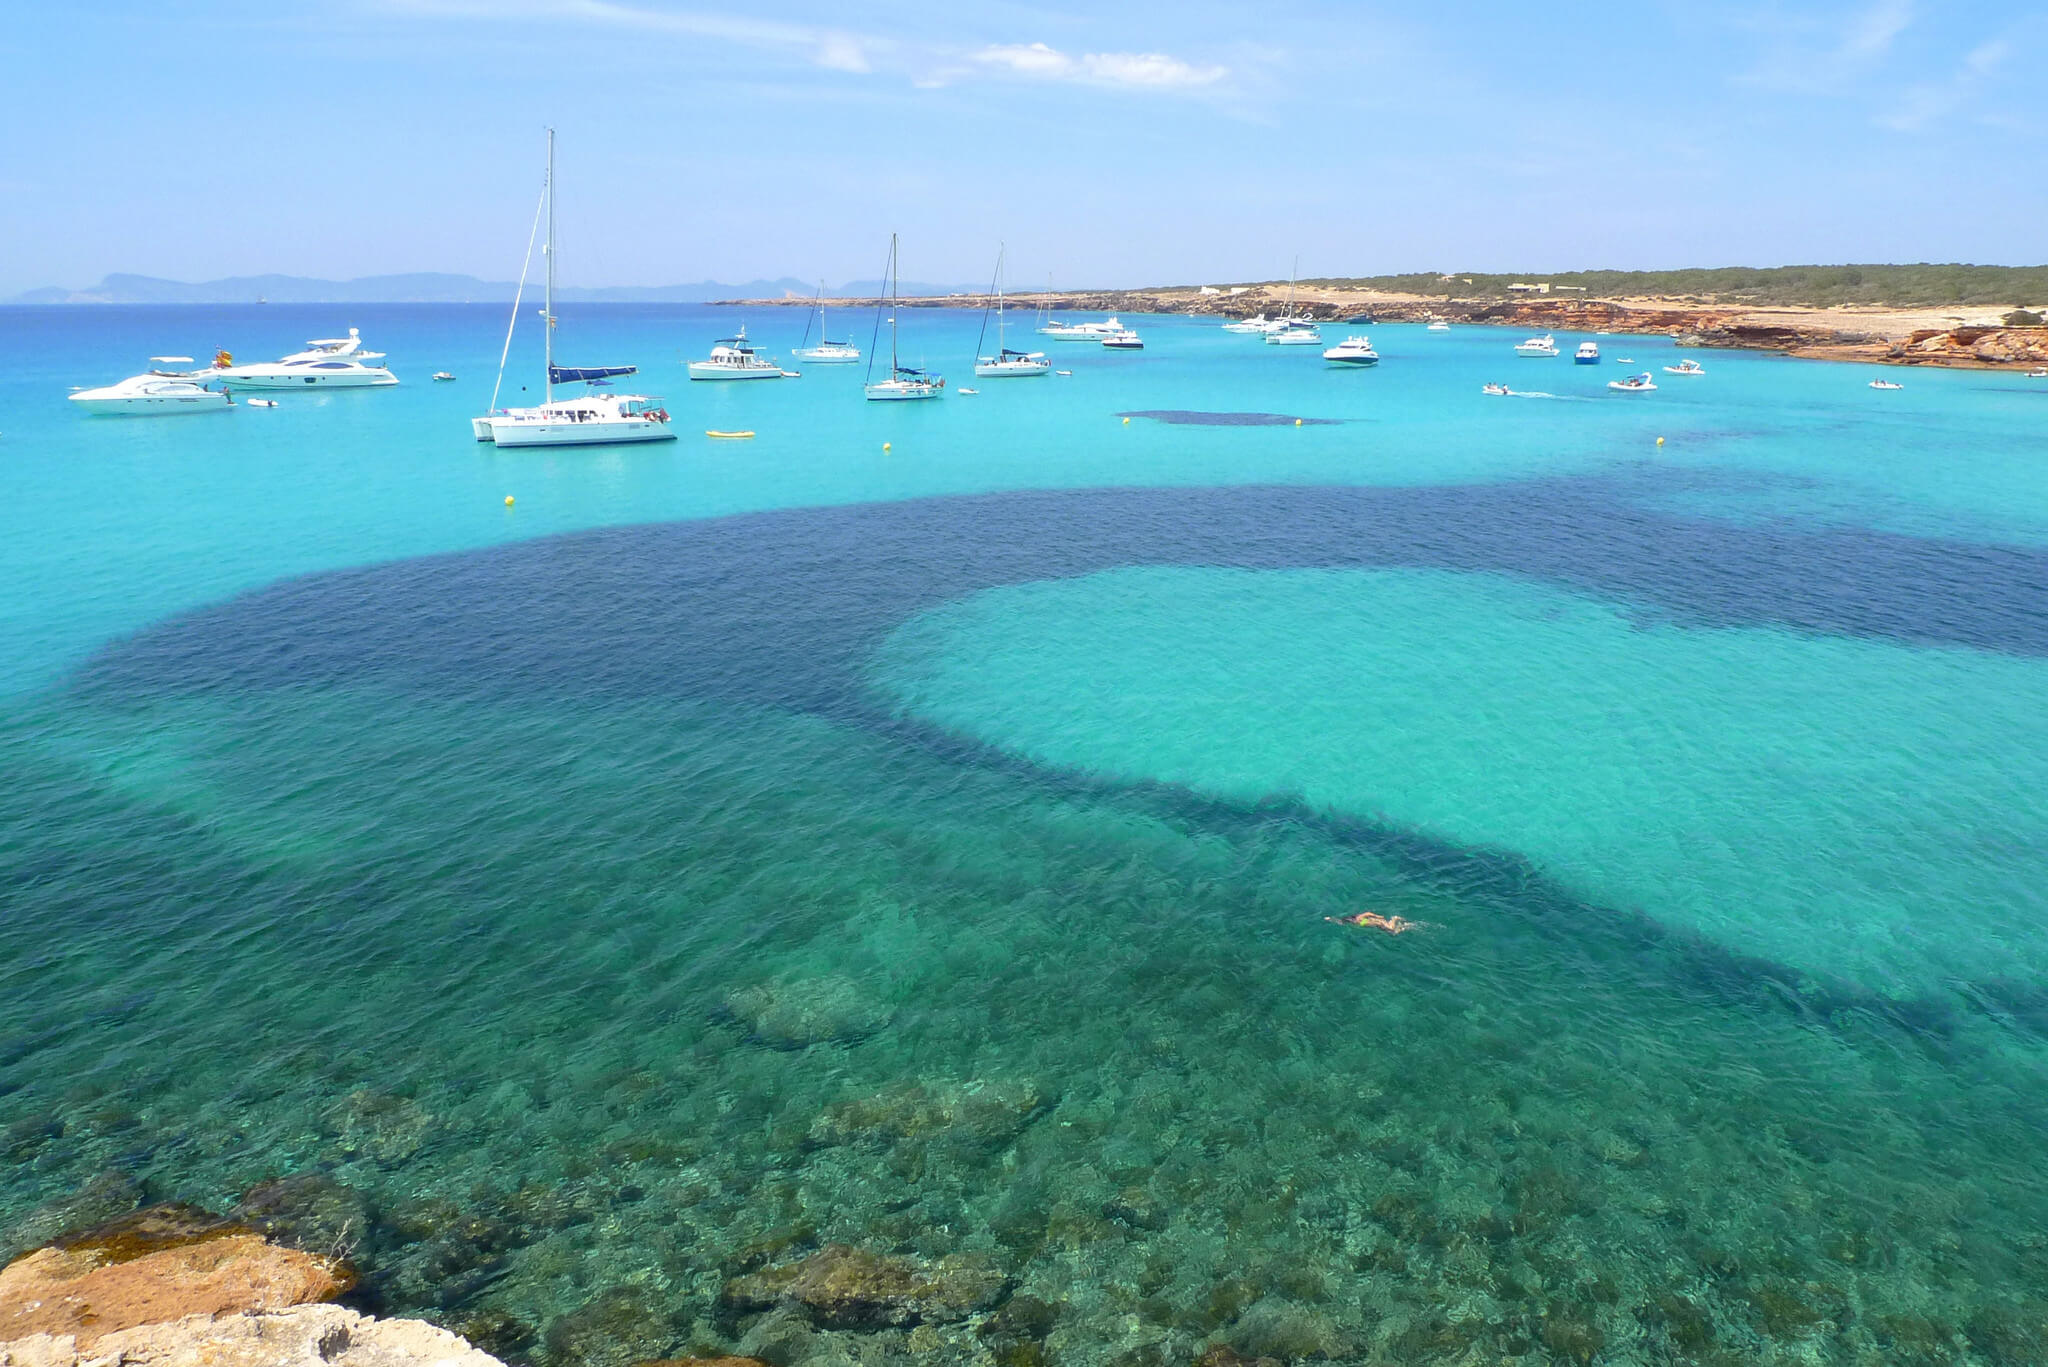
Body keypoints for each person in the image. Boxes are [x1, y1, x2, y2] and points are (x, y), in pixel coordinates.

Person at [1325, 911, 1426, 934]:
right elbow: (1340, 921)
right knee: (1392, 932)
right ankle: (1401, 925)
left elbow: (1367, 913)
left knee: (1393, 932)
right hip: (1378, 923)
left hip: (1379, 923)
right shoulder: (1358, 920)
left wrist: (1378, 916)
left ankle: (1397, 921)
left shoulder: (1358, 920)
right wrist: (1330, 919)